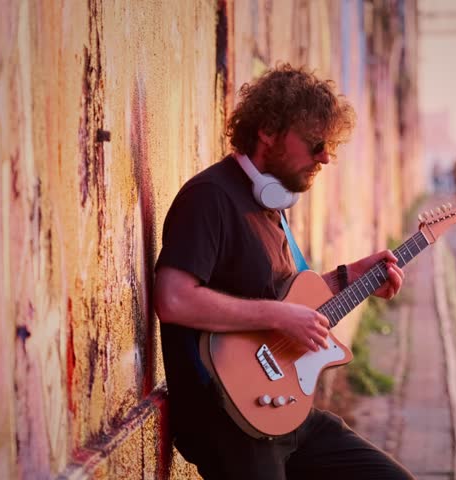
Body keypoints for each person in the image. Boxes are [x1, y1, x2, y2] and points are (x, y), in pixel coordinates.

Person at [153, 64, 413, 480]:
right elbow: (173, 299)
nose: (325, 157)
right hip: (227, 422)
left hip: (284, 415)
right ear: (269, 132)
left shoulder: (267, 206)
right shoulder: (211, 197)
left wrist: (349, 278)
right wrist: (278, 316)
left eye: (330, 146)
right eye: (315, 144)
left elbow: (284, 302)